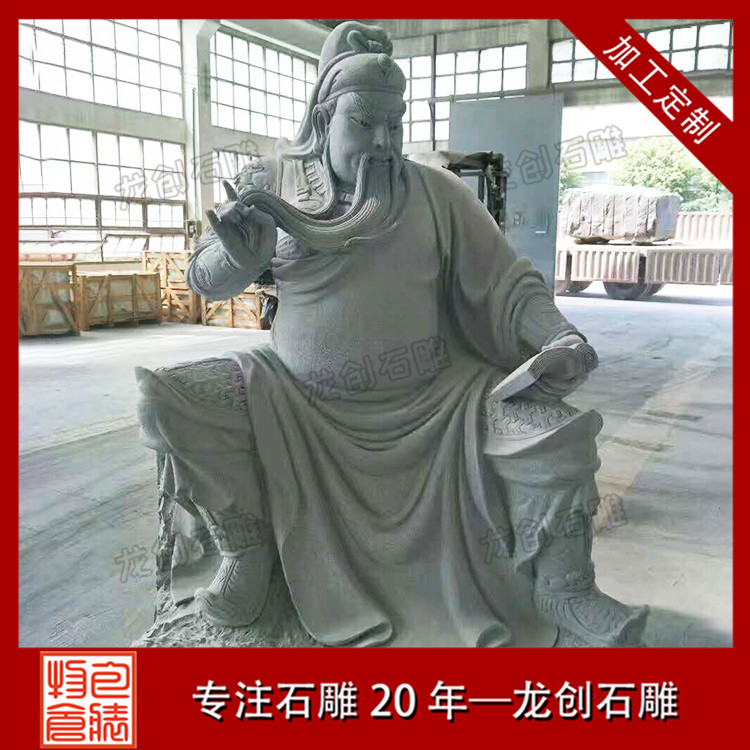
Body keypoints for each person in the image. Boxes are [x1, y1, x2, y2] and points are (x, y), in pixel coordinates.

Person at [136, 22, 648, 647]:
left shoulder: (438, 194)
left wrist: (561, 337)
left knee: (556, 432)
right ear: (323, 118)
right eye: (364, 123)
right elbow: (203, 275)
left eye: (395, 124)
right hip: (293, 401)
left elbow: (508, 284)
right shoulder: (270, 184)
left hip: (437, 406)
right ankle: (247, 553)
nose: (383, 141)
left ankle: (565, 589)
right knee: (169, 399)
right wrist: (238, 259)